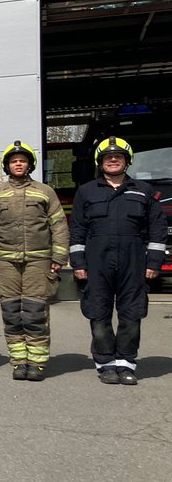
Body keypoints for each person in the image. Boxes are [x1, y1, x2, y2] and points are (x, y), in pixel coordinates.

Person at [69, 136, 167, 386]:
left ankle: (126, 362)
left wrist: (153, 263)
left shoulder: (143, 191)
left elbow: (157, 229)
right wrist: (78, 263)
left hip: (133, 261)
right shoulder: (87, 191)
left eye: (118, 157)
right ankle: (105, 363)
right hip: (97, 261)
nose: (113, 160)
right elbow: (77, 229)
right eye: (107, 158)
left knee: (131, 314)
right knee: (98, 312)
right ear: (100, 163)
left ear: (127, 161)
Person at [0, 141, 70, 381]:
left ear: (30, 164)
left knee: (35, 312)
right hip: (5, 262)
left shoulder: (45, 192)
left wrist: (59, 256)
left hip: (38, 262)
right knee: (11, 313)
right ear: (7, 166)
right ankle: (19, 361)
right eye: (14, 161)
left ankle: (37, 363)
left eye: (22, 160)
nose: (18, 163)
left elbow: (59, 225)